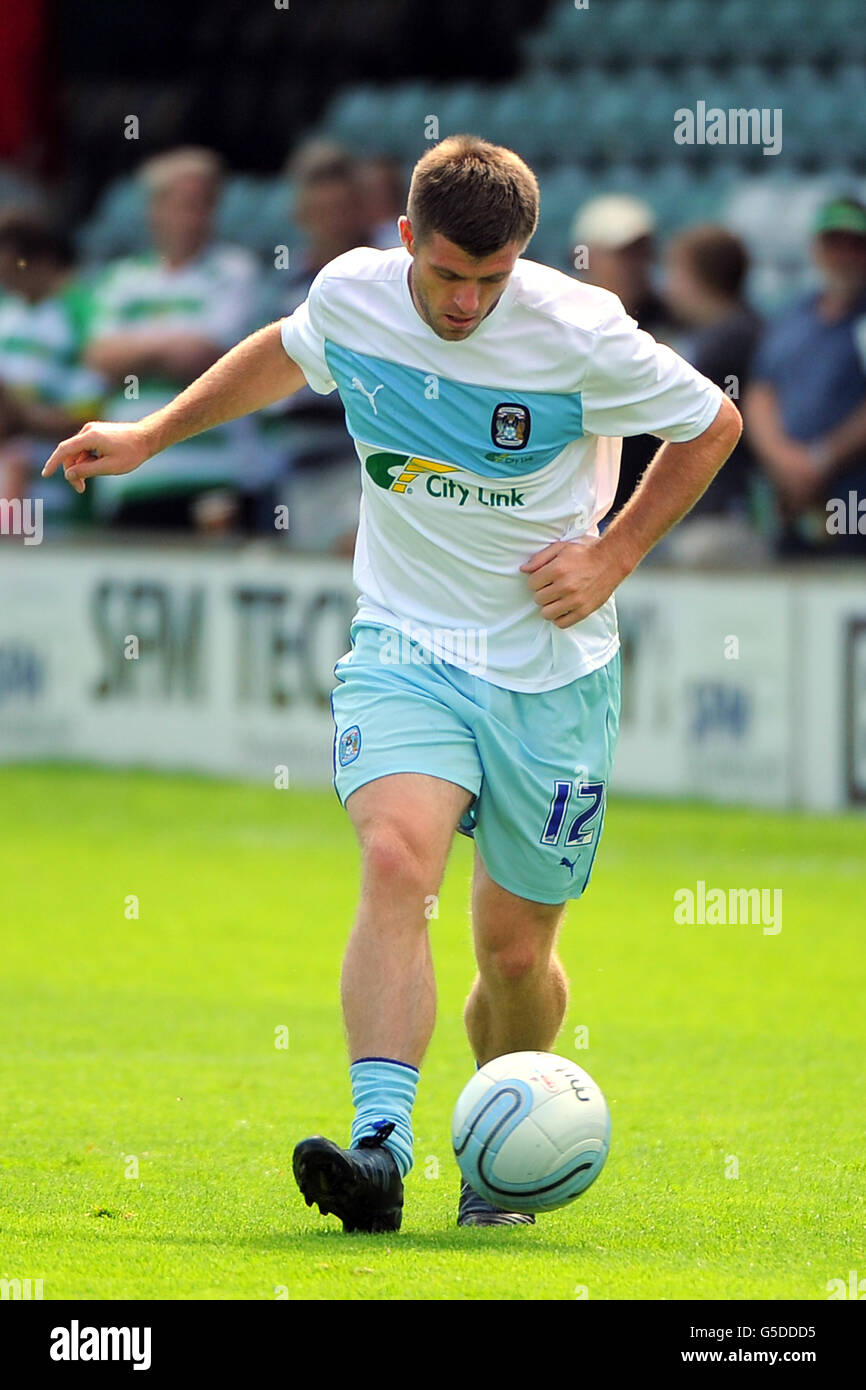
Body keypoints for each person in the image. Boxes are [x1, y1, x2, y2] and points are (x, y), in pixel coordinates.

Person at [44, 135, 741, 1234]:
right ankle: (379, 1147)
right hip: (407, 641)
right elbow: (286, 349)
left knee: (514, 956)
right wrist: (152, 430)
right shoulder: (354, 294)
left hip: (550, 673)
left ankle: (492, 1162)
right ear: (405, 238)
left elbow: (711, 423)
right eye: (448, 275)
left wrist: (610, 554)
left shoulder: (576, 329)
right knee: (393, 856)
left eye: (491, 280)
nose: (466, 303)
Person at [83, 146, 272, 532]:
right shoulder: (120, 279)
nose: (195, 217)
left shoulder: (236, 271)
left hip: (217, 478)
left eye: (205, 204)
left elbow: (205, 355)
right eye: (184, 204)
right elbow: (100, 358)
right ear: (154, 209)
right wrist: (173, 346)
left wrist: (136, 352)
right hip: (132, 480)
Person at [745, 196, 866, 558]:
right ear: (817, 250)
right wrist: (783, 459)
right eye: (833, 244)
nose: (843, 256)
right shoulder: (793, 317)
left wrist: (820, 459)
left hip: (853, 496)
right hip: (789, 497)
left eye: (854, 245)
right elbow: (761, 392)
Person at [269, 142, 374, 556]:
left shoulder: (384, 281)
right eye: (322, 211)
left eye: (342, 209)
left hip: (361, 469)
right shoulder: (286, 290)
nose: (333, 221)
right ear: (301, 215)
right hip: (299, 473)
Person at [661, 224, 766, 564]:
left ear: (699, 278)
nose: (669, 286)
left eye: (676, 273)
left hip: (726, 514)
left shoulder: (732, 339)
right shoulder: (721, 333)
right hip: (712, 508)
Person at [570, 193, 678, 521]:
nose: (635, 266)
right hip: (574, 512)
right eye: (622, 255)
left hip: (654, 514)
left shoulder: (675, 319)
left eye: (642, 254)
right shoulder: (560, 323)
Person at [0, 212, 105, 535]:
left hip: (59, 495)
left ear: (41, 261)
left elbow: (93, 419)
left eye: (11, 265)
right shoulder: (6, 311)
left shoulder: (84, 311)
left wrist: (19, 416)